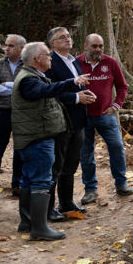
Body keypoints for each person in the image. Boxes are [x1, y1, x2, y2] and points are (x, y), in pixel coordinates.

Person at [12, 42, 88, 241]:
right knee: (40, 181)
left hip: (37, 137)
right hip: (37, 138)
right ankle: (39, 228)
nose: (51, 58)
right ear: (37, 58)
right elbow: (45, 92)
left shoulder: (32, 76)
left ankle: (28, 222)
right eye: (48, 55)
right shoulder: (29, 80)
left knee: (29, 179)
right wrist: (73, 81)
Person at [44, 27, 95, 221]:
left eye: (68, 36)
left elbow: (78, 86)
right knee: (56, 166)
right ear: (52, 43)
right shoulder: (50, 63)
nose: (67, 39)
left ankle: (66, 203)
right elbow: (51, 92)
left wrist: (86, 94)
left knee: (71, 165)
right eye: (62, 37)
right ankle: (48, 209)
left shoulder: (75, 60)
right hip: (60, 122)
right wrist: (76, 98)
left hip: (78, 121)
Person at [77, 34, 133, 204]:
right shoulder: (76, 63)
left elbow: (123, 86)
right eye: (94, 46)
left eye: (101, 46)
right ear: (85, 46)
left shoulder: (111, 62)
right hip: (83, 116)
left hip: (105, 116)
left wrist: (116, 106)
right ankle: (90, 189)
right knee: (86, 153)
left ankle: (121, 184)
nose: (98, 49)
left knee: (116, 147)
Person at [0, 34, 26, 194]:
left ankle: (17, 184)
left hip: (22, 113)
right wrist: (19, 89)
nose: (6, 48)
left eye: (11, 46)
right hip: (2, 112)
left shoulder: (28, 64)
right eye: (6, 45)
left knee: (20, 150)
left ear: (21, 49)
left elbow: (29, 86)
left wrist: (10, 85)